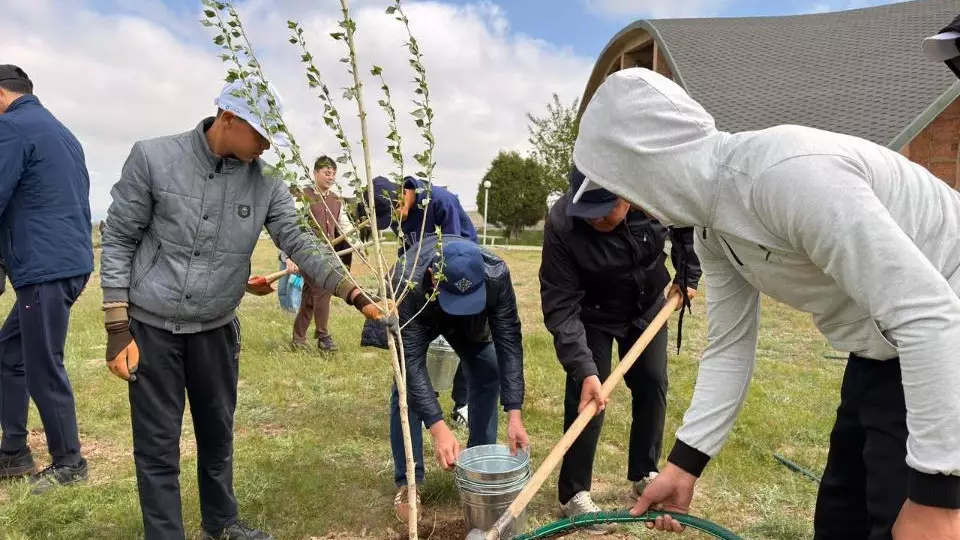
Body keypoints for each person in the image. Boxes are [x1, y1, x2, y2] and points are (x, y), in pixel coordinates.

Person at [571, 66, 960, 539]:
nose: (630, 201)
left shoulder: (785, 177)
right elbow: (730, 346)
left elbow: (931, 315)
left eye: (624, 183)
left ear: (649, 165)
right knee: (841, 515)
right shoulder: (712, 229)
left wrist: (938, 497)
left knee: (909, 518)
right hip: (882, 349)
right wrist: (684, 464)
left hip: (941, 342)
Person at [100, 79, 393, 540]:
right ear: (228, 119)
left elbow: (302, 243)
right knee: (157, 445)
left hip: (216, 329)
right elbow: (118, 240)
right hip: (152, 326)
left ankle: (222, 523)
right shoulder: (154, 159)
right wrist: (118, 326)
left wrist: (356, 294)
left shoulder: (268, 185)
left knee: (218, 434)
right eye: (260, 135)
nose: (265, 146)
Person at [539, 165, 701, 529]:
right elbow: (560, 303)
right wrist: (584, 369)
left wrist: (687, 273)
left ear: (627, 195)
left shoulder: (656, 191)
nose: (594, 220)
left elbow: (689, 222)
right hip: (591, 314)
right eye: (588, 212)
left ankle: (645, 472)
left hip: (647, 306)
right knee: (588, 397)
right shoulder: (564, 224)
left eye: (603, 210)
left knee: (653, 383)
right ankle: (573, 494)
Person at [385, 235, 528, 522]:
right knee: (406, 390)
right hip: (422, 312)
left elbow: (508, 341)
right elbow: (411, 363)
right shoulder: (406, 283)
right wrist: (438, 428)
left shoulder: (496, 275)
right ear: (431, 275)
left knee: (489, 371)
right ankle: (409, 483)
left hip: (470, 323)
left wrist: (515, 412)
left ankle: (477, 468)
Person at [0, 64, 94, 493]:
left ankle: (69, 463)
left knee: (43, 364)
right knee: (10, 351)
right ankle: (14, 451)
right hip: (66, 263)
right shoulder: (62, 131)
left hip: (44, 266)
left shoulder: (14, 129)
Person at [362, 175, 477, 425]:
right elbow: (407, 253)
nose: (394, 221)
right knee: (417, 337)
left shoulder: (440, 202)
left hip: (458, 273)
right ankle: (426, 400)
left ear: (401, 194)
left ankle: (463, 403)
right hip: (424, 279)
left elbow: (455, 251)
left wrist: (439, 280)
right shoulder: (399, 217)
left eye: (393, 212)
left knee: (463, 342)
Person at [282, 155, 362, 352]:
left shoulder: (336, 199)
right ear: (315, 173)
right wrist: (289, 257)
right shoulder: (303, 197)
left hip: (327, 255)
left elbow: (344, 226)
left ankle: (298, 340)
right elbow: (290, 228)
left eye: (333, 174)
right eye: (327, 173)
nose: (331, 177)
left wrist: (358, 245)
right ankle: (323, 336)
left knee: (310, 298)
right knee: (322, 289)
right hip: (306, 255)